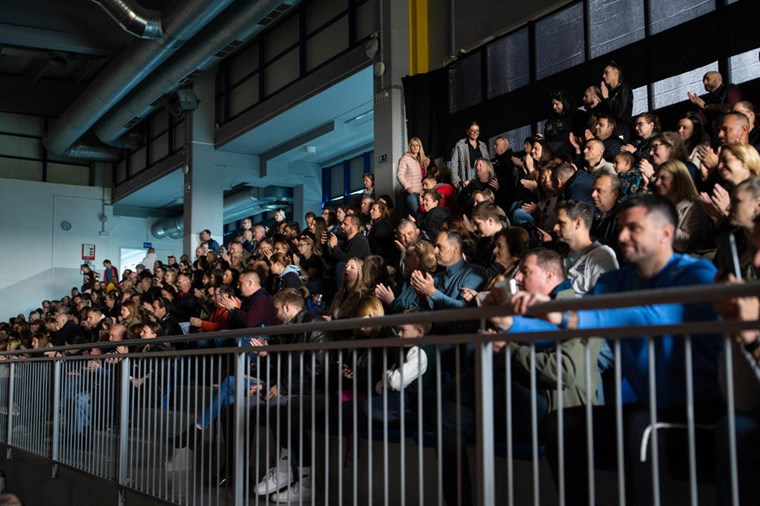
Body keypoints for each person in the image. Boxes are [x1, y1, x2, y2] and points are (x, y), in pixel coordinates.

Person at [504, 193, 723, 506]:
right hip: (649, 408)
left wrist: (566, 315)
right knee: (561, 424)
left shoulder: (697, 274)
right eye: (621, 228)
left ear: (665, 233)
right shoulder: (613, 282)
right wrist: (509, 324)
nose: (621, 237)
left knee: (640, 426)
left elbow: (647, 317)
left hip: (703, 414)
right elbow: (563, 332)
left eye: (634, 228)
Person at [553, 200, 619, 295]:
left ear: (578, 223)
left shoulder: (602, 256)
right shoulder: (561, 257)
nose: (555, 228)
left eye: (561, 223)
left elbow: (608, 298)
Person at [410, 230, 485, 311]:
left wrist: (432, 292)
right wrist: (422, 296)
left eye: (440, 247)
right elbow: (433, 311)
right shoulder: (439, 277)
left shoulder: (474, 274)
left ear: (455, 248)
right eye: (435, 246)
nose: (435, 251)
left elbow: (465, 310)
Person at [653, 160, 714, 254]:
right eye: (656, 178)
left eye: (663, 178)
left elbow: (684, 244)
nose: (657, 183)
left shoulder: (695, 206)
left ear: (678, 180)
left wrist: (658, 221)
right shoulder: (660, 203)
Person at [687, 70, 742, 136]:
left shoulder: (730, 88)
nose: (704, 82)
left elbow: (732, 108)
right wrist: (698, 106)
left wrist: (707, 106)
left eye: (707, 79)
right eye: (703, 80)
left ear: (719, 79)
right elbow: (706, 120)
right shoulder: (709, 98)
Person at [600, 61, 633, 141]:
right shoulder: (609, 92)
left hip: (621, 130)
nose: (603, 76)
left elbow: (619, 112)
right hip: (610, 131)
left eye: (606, 72)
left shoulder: (624, 89)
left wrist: (606, 98)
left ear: (616, 73)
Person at [450, 121, 489, 189]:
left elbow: (487, 162)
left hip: (481, 175)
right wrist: (455, 178)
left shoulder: (482, 145)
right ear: (467, 131)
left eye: (477, 131)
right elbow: (454, 162)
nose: (475, 133)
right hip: (467, 175)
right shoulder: (460, 144)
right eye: (472, 130)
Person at [397, 137, 429, 216]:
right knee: (416, 214)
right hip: (412, 192)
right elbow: (400, 175)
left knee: (425, 214)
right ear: (410, 146)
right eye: (413, 145)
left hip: (423, 192)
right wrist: (407, 186)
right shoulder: (405, 159)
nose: (415, 147)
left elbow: (424, 177)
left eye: (417, 145)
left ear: (420, 147)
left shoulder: (423, 160)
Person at [590, 173, 623, 251]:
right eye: (593, 190)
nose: (593, 194)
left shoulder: (621, 219)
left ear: (615, 194)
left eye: (599, 191)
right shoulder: (588, 211)